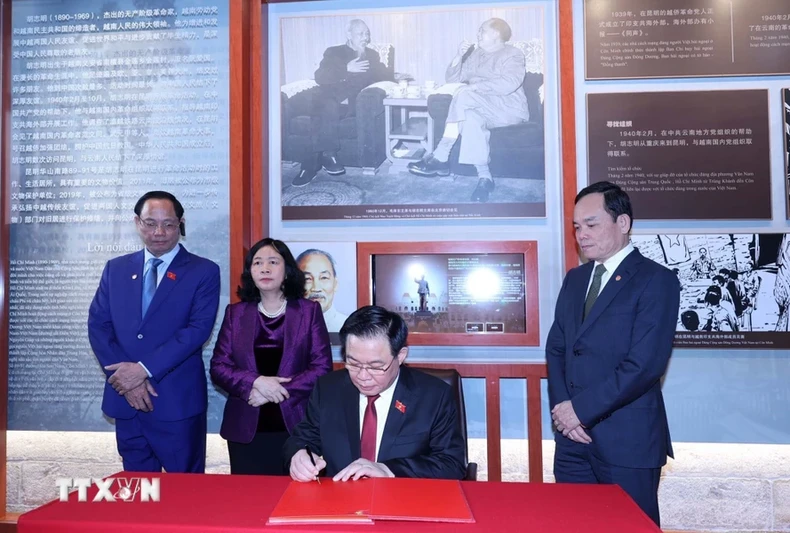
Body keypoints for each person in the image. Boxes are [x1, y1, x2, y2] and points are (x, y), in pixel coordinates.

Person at [546, 181, 679, 527]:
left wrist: (580, 410)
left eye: (591, 224)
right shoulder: (575, 280)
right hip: (572, 441)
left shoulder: (656, 280)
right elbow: (558, 347)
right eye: (577, 226)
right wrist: (564, 412)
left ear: (623, 223)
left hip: (627, 442)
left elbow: (644, 365)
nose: (582, 234)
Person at [88, 191, 221, 473]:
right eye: (150, 223)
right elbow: (98, 326)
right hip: (126, 401)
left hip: (176, 405)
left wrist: (143, 370)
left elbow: (197, 331)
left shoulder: (203, 271)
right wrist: (127, 379)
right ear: (137, 223)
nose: (159, 232)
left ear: (181, 224)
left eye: (169, 224)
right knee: (137, 494)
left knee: (184, 497)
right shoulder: (116, 269)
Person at [284, 305, 466, 482]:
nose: (363, 376)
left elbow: (451, 463)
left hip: (404, 501)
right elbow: (301, 439)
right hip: (340, 501)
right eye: (353, 364)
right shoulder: (328, 388)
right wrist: (299, 454)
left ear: (401, 356)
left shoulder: (434, 396)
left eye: (375, 367)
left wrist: (388, 469)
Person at [210, 238, 332, 475]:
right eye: (257, 263)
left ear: (287, 271)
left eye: (273, 262)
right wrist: (256, 383)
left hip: (295, 426)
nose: (264, 268)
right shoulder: (236, 313)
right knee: (248, 501)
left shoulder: (308, 311)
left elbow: (321, 367)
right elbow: (219, 366)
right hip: (246, 428)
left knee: (296, 501)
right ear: (250, 272)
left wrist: (275, 392)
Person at [407, 18, 529, 203]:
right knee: (470, 118)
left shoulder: (512, 54)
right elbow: (453, 78)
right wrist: (459, 56)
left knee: (463, 94)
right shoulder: (477, 54)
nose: (477, 34)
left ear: (496, 33)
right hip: (480, 107)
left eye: (482, 30)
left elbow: (509, 83)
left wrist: (474, 88)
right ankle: (485, 178)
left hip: (508, 108)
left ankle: (441, 155)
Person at [293, 19, 394, 187]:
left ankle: (310, 166)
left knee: (321, 111)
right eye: (360, 34)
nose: (365, 38)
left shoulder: (372, 56)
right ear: (349, 35)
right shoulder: (334, 52)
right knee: (325, 104)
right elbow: (320, 76)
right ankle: (328, 155)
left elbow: (383, 75)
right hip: (327, 97)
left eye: (367, 34)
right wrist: (346, 69)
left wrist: (398, 79)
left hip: (351, 104)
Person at [295, 248, 350, 331]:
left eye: (324, 278)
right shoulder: (285, 326)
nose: (316, 288)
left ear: (335, 284)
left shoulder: (349, 327)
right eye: (307, 279)